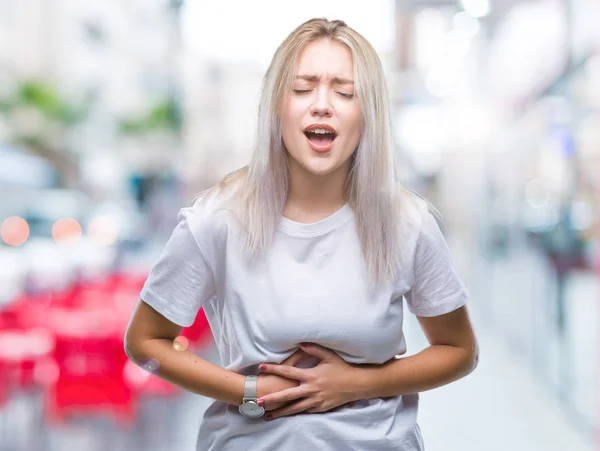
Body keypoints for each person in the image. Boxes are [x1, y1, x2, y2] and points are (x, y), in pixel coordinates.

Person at [124, 17, 479, 450]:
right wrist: (249, 393)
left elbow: (460, 351)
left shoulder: (407, 222)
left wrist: (357, 384)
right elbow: (144, 343)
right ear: (277, 107)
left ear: (367, 114)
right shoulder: (217, 219)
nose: (322, 105)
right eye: (302, 88)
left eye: (345, 92)